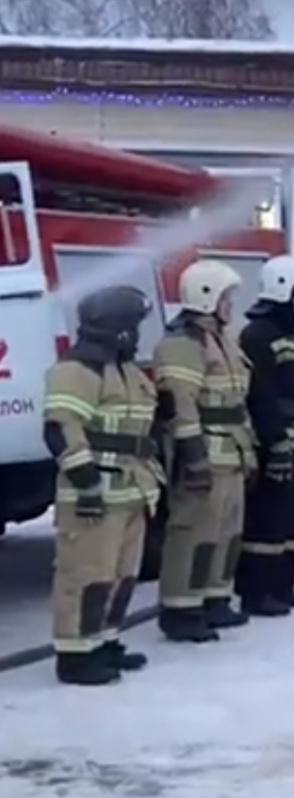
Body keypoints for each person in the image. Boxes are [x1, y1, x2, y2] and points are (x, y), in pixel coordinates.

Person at [43, 286, 162, 685]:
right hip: (94, 495)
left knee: (120, 575)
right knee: (86, 576)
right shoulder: (78, 369)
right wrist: (87, 484)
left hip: (131, 489)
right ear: (119, 328)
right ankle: (75, 655)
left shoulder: (123, 368)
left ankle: (105, 641)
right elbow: (61, 429)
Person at [152, 260, 255, 642]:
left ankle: (215, 598)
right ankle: (182, 609)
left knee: (226, 533)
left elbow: (236, 398)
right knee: (194, 533)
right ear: (206, 296)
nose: (231, 304)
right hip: (205, 455)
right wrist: (193, 456)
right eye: (227, 297)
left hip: (231, 454)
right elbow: (181, 403)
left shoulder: (222, 339)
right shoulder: (183, 343)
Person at [236, 255, 294, 617]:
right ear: (284, 289)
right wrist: (275, 443)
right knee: (267, 520)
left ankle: (284, 587)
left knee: (293, 519)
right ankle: (257, 593)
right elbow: (263, 395)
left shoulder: (293, 335)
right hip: (277, 439)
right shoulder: (258, 335)